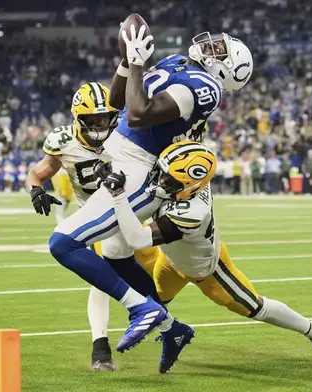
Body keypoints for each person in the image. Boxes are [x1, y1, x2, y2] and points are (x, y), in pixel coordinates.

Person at [46, 23, 254, 354]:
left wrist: (140, 63)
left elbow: (140, 115)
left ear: (226, 70)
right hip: (120, 159)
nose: (214, 47)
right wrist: (128, 62)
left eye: (221, 52)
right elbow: (117, 101)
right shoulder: (178, 63)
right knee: (115, 255)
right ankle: (172, 329)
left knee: (62, 244)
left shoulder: (206, 86)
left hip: (137, 170)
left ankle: (142, 308)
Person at [102, 141, 312, 372]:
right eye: (163, 174)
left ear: (191, 185)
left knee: (254, 307)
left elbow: (139, 239)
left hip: (206, 269)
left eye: (169, 180)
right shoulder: (189, 179)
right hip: (170, 260)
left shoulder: (193, 212)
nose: (161, 181)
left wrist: (118, 195)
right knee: (154, 304)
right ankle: (174, 336)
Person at [27, 82, 164, 370]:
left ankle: (161, 319)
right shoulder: (64, 141)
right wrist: (35, 190)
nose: (102, 125)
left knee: (145, 279)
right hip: (93, 217)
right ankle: (100, 347)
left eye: (105, 118)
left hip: (129, 212)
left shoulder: (124, 140)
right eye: (94, 120)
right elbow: (38, 172)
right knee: (101, 280)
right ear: (79, 119)